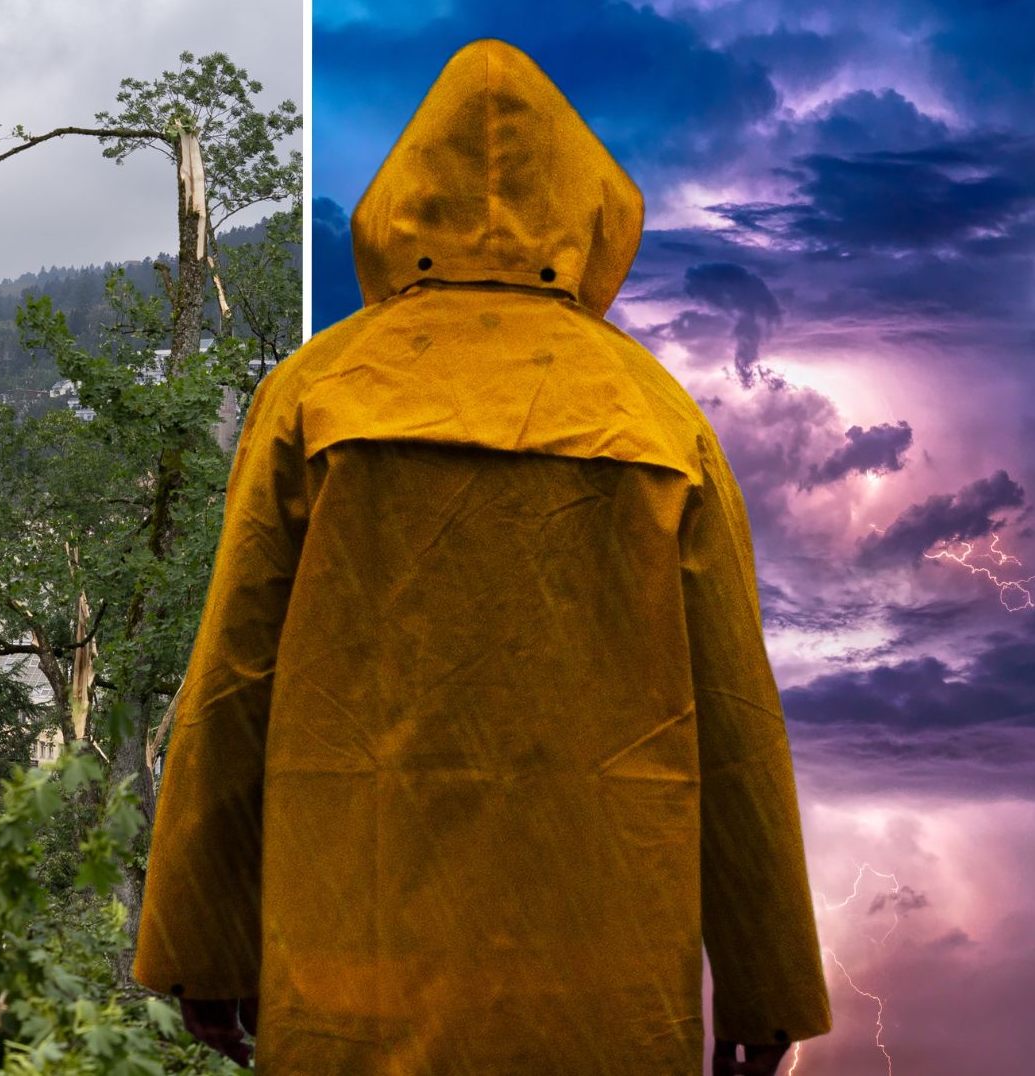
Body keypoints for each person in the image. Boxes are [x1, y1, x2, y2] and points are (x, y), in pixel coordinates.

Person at [132, 37, 833, 1074]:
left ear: (399, 207)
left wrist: (201, 945)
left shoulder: (313, 396)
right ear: (588, 211)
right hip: (606, 1000)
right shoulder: (657, 415)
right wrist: (764, 986)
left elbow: (231, 684)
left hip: (348, 986)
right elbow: (733, 715)